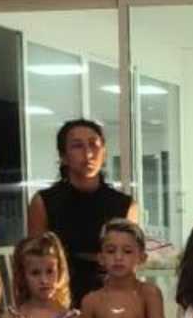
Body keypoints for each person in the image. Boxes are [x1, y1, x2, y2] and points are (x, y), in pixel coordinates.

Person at [27, 118, 139, 297]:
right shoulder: (44, 201)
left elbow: (130, 261)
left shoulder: (124, 204)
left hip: (110, 293)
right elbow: (34, 259)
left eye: (94, 144)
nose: (88, 153)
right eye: (77, 146)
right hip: (59, 293)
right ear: (63, 156)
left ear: (104, 152)